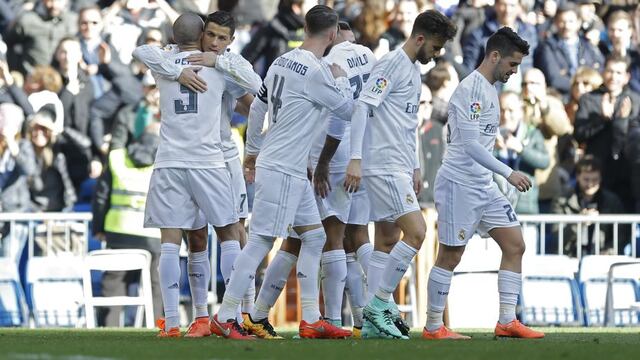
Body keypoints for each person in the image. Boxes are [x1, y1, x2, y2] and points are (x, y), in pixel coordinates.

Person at [213, 5, 355, 340]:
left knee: (315, 236)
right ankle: (225, 314)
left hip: (287, 166)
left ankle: (310, 319)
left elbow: (260, 104)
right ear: (333, 34)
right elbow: (347, 110)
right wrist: (342, 77)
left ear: (305, 27)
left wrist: (252, 151)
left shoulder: (281, 60)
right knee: (261, 240)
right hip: (282, 169)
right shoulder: (319, 72)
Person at [134, 10, 262, 338]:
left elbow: (141, 51)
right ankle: (214, 317)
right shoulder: (217, 69)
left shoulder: (168, 63)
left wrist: (176, 68)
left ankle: (186, 321)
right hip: (208, 163)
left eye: (223, 39)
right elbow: (257, 86)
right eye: (212, 36)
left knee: (175, 242)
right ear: (202, 33)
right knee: (221, 235)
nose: (216, 44)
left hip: (177, 162)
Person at [423, 27, 544, 339]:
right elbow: (471, 146)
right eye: (512, 64)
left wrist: (497, 142)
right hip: (459, 184)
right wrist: (508, 172)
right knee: (450, 256)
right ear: (494, 56)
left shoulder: (490, 87)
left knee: (515, 244)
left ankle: (506, 321)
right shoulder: (471, 89)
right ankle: (434, 326)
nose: (515, 71)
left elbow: (479, 138)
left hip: (482, 185)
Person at [343, 10, 457, 339]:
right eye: (435, 48)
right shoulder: (392, 64)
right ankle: (379, 305)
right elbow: (363, 106)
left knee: (387, 240)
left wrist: (417, 165)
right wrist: (356, 159)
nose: (436, 55)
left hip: (400, 165)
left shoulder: (412, 70)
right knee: (418, 233)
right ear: (419, 38)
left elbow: (408, 125)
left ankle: (373, 328)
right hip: (384, 164)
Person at [574, 55, 640, 212]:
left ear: (626, 77)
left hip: (627, 174)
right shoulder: (589, 99)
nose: (613, 77)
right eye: (610, 71)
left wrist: (621, 120)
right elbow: (579, 134)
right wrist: (601, 120)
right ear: (604, 72)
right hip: (597, 174)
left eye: (618, 73)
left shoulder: (636, 101)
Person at [552, 155, 624, 256]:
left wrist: (608, 252)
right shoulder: (562, 200)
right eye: (586, 179)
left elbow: (621, 235)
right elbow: (557, 236)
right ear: (577, 176)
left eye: (595, 180)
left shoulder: (611, 201)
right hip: (569, 256)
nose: (590, 184)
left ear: (600, 178)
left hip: (602, 257)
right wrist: (579, 222)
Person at [494, 91, 549, 215]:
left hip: (525, 211)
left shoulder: (532, 134)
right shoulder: (489, 136)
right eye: (502, 110)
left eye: (511, 110)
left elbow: (545, 161)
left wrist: (521, 150)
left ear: (520, 111)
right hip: (496, 211)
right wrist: (492, 149)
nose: (506, 116)